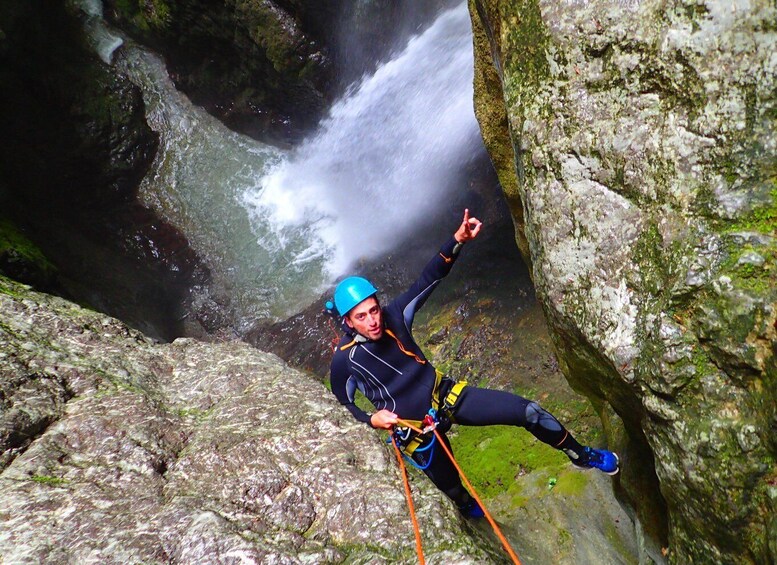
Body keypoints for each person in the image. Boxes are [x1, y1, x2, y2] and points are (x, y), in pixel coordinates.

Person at [327, 209, 619, 517]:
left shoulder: (395, 317)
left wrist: (457, 241)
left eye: (374, 310)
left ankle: (581, 454)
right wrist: (372, 419)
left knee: (529, 412)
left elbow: (429, 278)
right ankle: (469, 510)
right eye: (362, 316)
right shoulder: (345, 361)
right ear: (348, 321)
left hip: (446, 397)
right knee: (452, 489)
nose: (373, 320)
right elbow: (342, 407)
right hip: (415, 431)